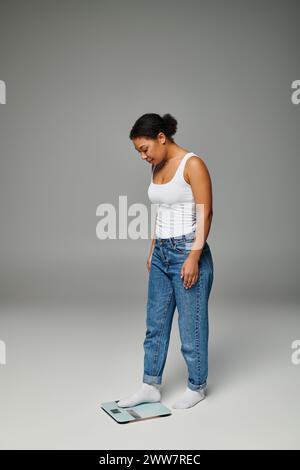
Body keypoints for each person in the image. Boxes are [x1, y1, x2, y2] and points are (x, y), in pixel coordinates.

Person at [118, 113, 214, 409]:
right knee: (155, 323)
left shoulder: (192, 164)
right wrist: (152, 250)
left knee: (191, 326)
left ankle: (196, 387)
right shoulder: (157, 166)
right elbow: (161, 211)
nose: (142, 156)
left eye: (144, 148)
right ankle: (150, 385)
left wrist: (194, 257)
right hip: (162, 252)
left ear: (161, 137)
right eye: (138, 152)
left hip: (188, 252)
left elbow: (205, 213)